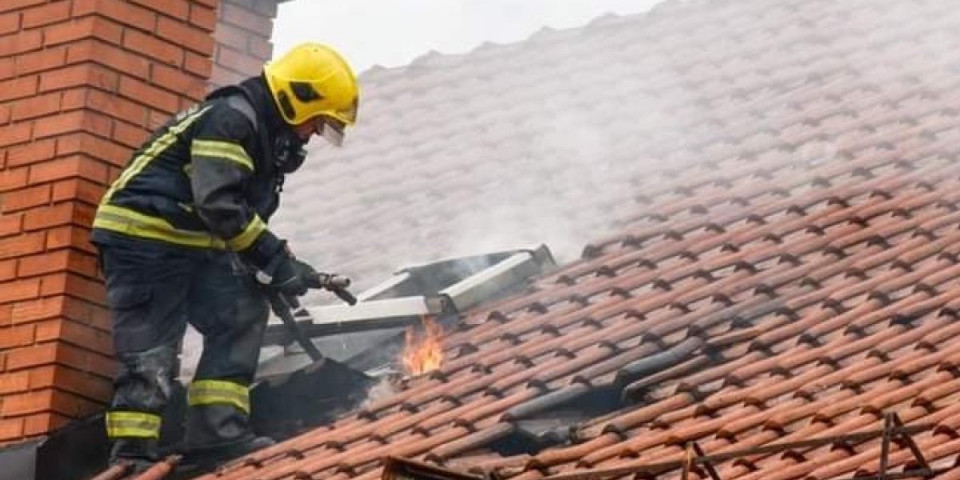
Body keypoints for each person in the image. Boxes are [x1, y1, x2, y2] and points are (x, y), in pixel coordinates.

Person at [90, 42, 359, 470]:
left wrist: (281, 265)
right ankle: (131, 461)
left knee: (241, 311)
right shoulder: (233, 119)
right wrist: (270, 256)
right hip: (143, 239)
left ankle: (216, 436)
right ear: (296, 97)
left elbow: (239, 219)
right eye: (317, 122)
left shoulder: (263, 136)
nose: (312, 134)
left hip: (191, 246)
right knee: (153, 347)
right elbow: (218, 203)